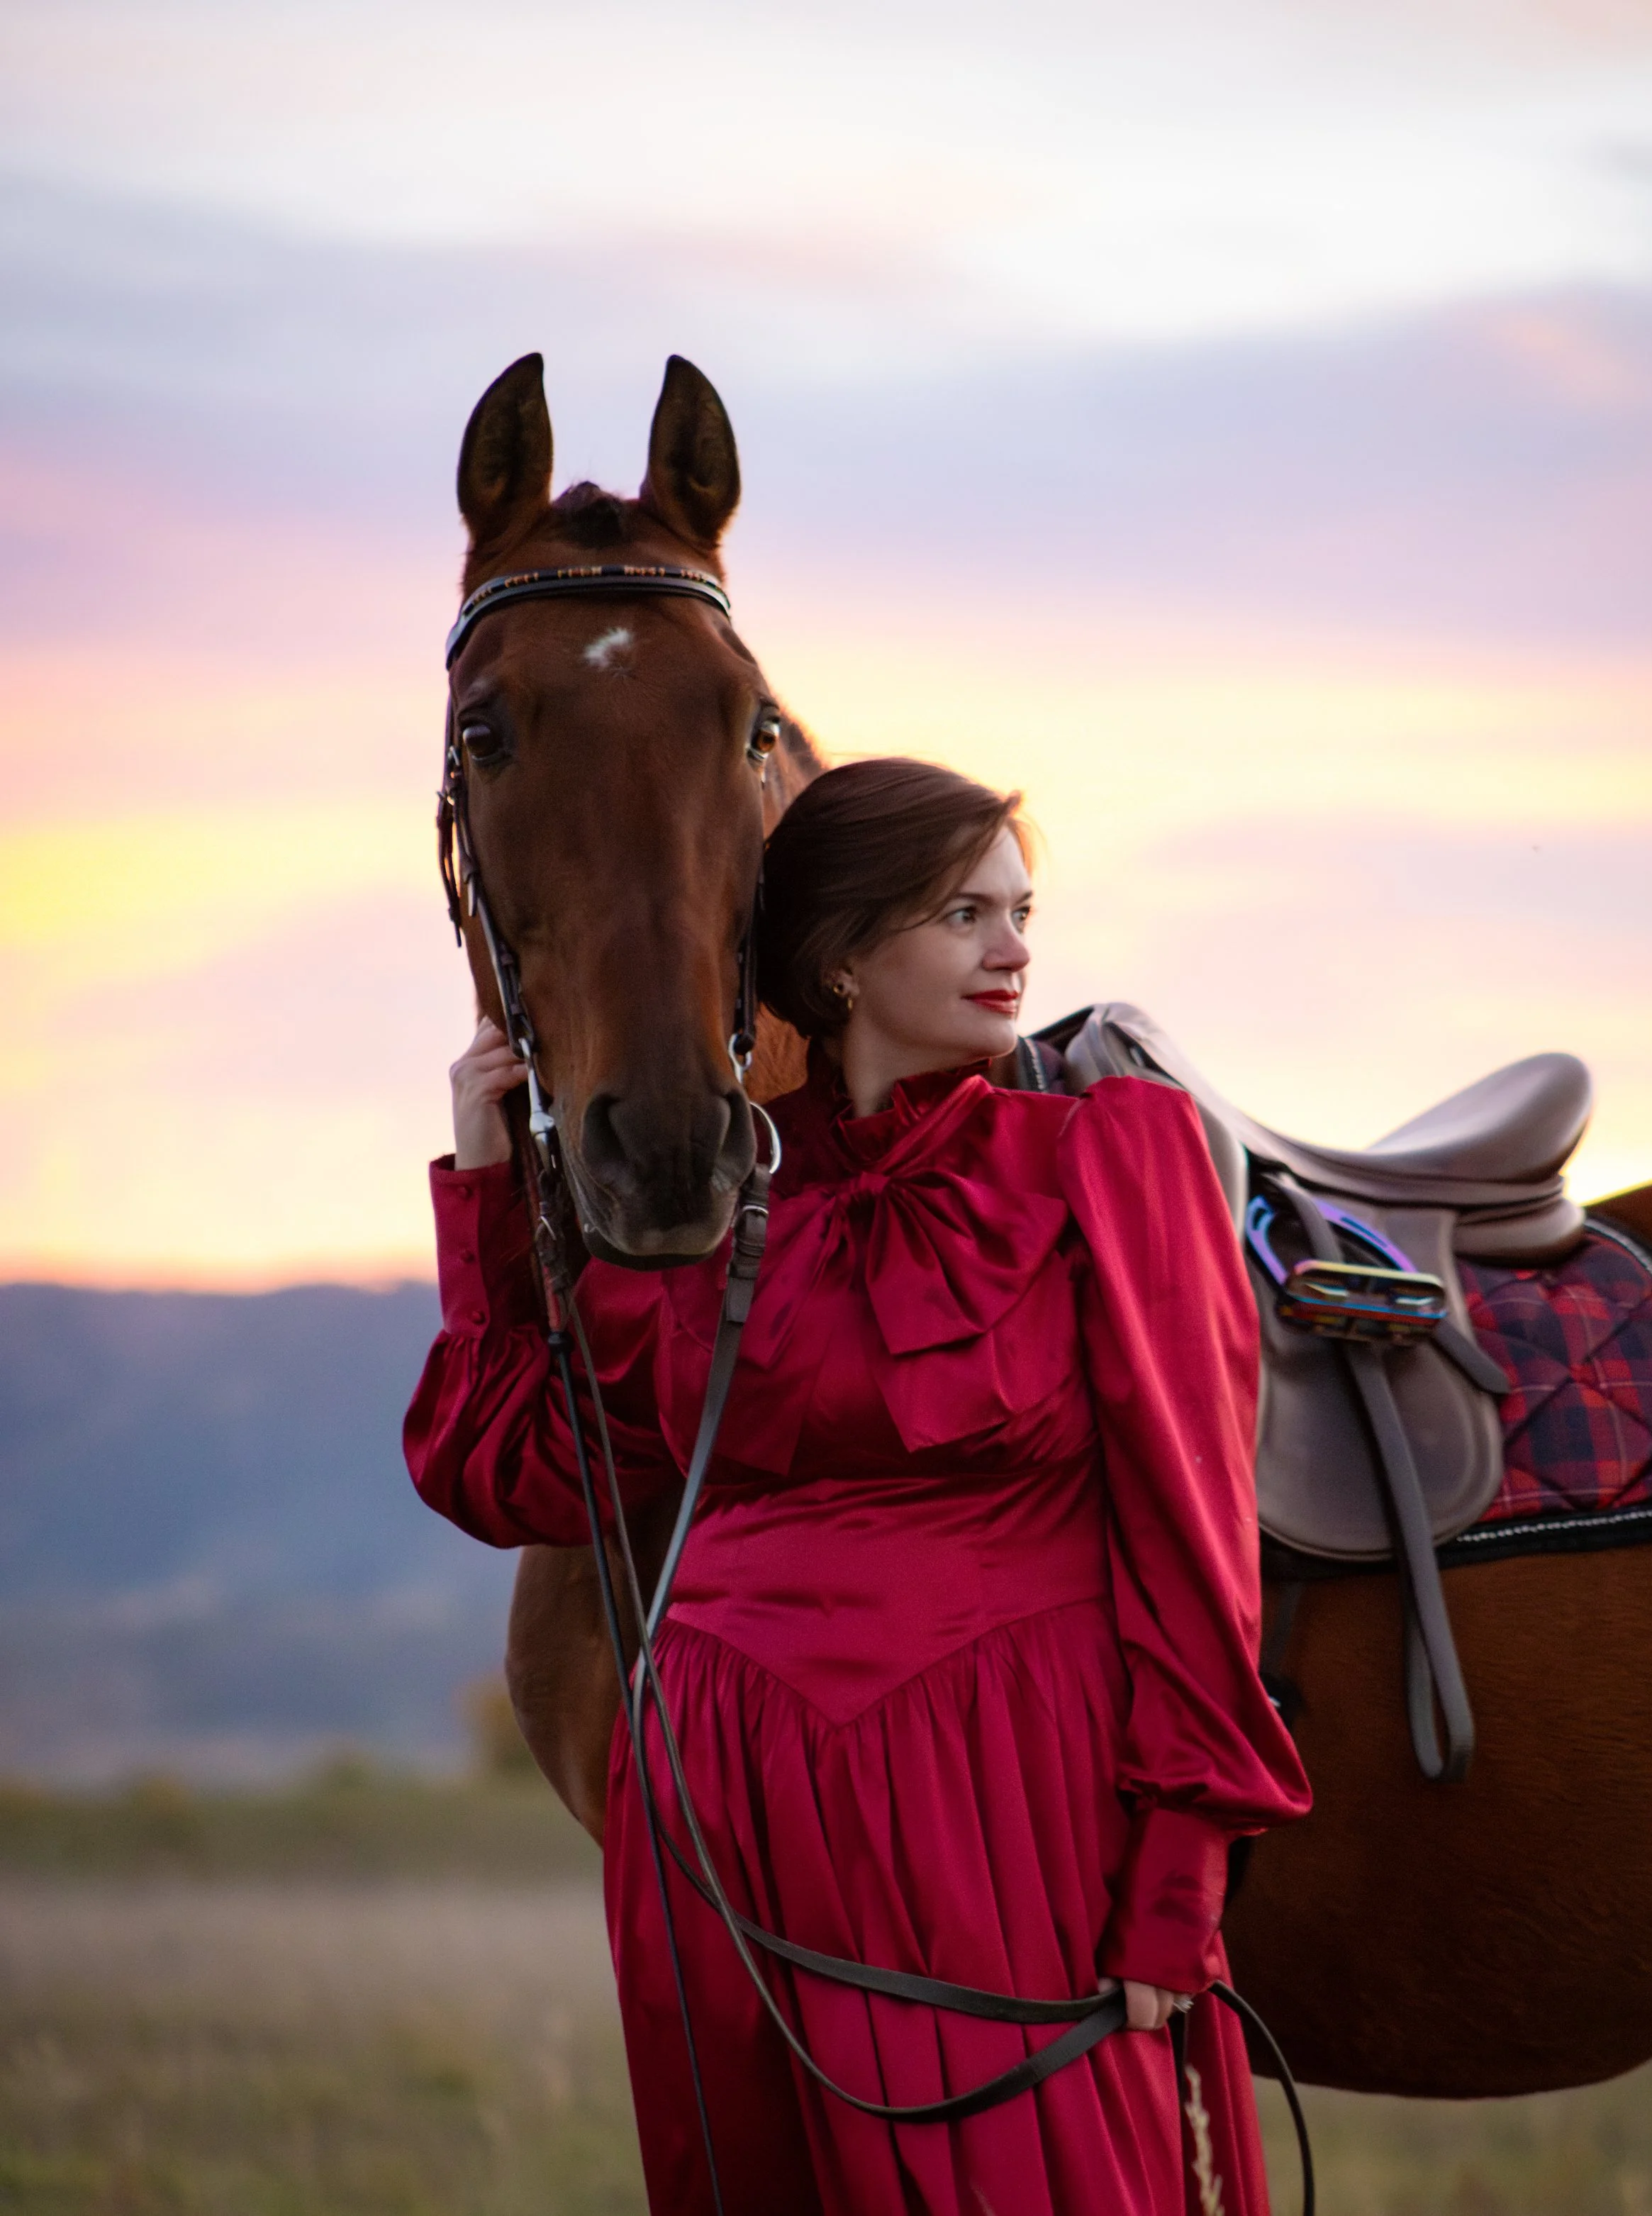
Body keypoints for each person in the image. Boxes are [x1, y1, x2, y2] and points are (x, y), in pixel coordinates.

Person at [405, 758, 1311, 2216]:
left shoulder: (1103, 1159)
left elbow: (1194, 1543)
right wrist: (487, 1176)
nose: (1015, 948)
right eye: (964, 912)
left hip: (992, 1803)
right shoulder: (706, 1217)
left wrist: (1175, 1887)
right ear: (836, 956)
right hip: (714, 1813)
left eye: (1020, 910)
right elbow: (512, 1467)